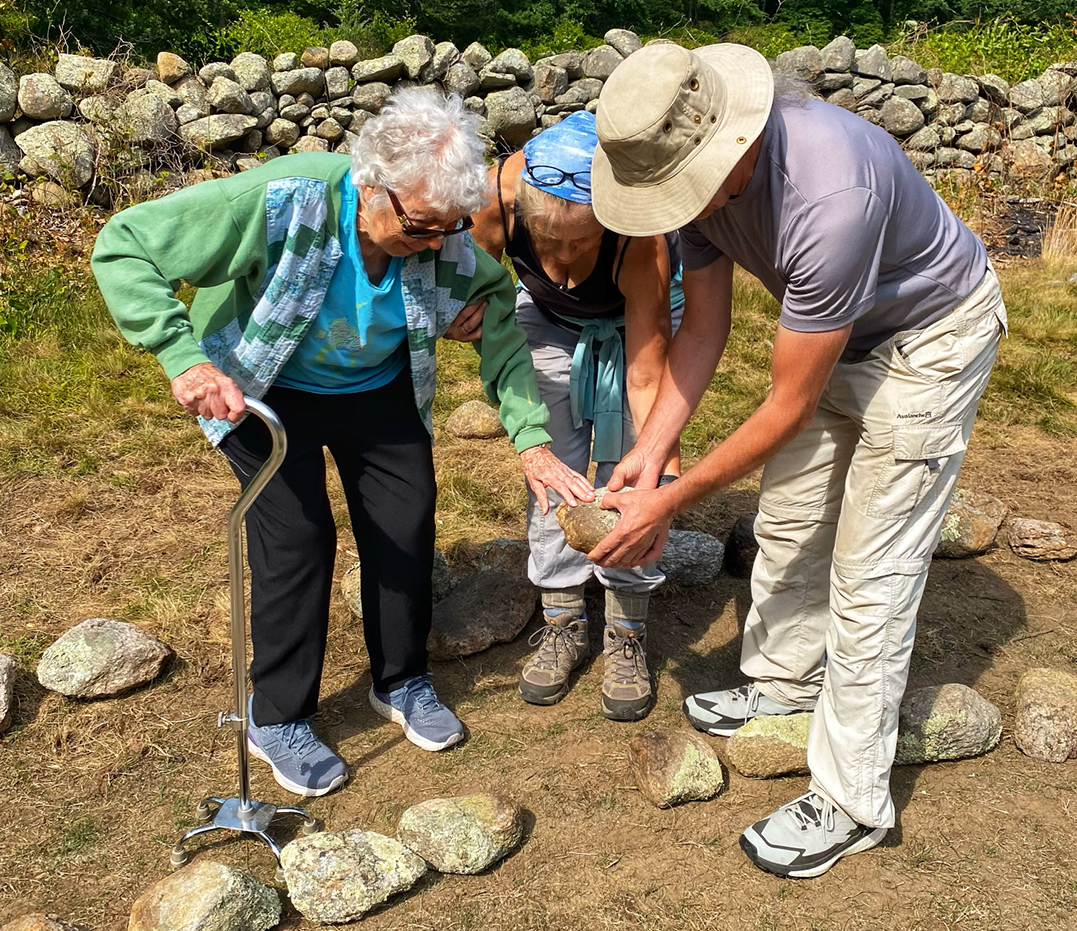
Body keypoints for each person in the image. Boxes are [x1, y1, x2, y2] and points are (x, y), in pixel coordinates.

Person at [91, 89, 592, 798]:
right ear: (369, 183)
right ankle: (278, 716)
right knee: (297, 538)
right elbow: (124, 242)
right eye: (420, 227)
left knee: (405, 517)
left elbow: (504, 333)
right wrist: (183, 357)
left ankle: (401, 679)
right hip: (262, 387)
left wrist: (531, 442)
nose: (436, 244)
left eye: (448, 229)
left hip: (376, 386)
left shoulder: (443, 237)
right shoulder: (279, 199)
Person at [587, 44, 1006, 876]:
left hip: (930, 340)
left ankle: (850, 798)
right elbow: (702, 330)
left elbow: (787, 404)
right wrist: (651, 450)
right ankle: (783, 681)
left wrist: (669, 502)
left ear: (736, 146)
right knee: (786, 516)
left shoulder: (831, 188)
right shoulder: (698, 188)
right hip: (838, 337)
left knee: (870, 573)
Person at [463, 111, 683, 721]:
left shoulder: (641, 237)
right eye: (549, 240)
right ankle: (561, 616)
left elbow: (645, 372)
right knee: (552, 468)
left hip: (638, 325)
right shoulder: (493, 202)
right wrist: (465, 321)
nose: (562, 254)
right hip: (548, 318)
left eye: (581, 241)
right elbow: (468, 291)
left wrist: (660, 461)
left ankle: (627, 626)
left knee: (631, 469)